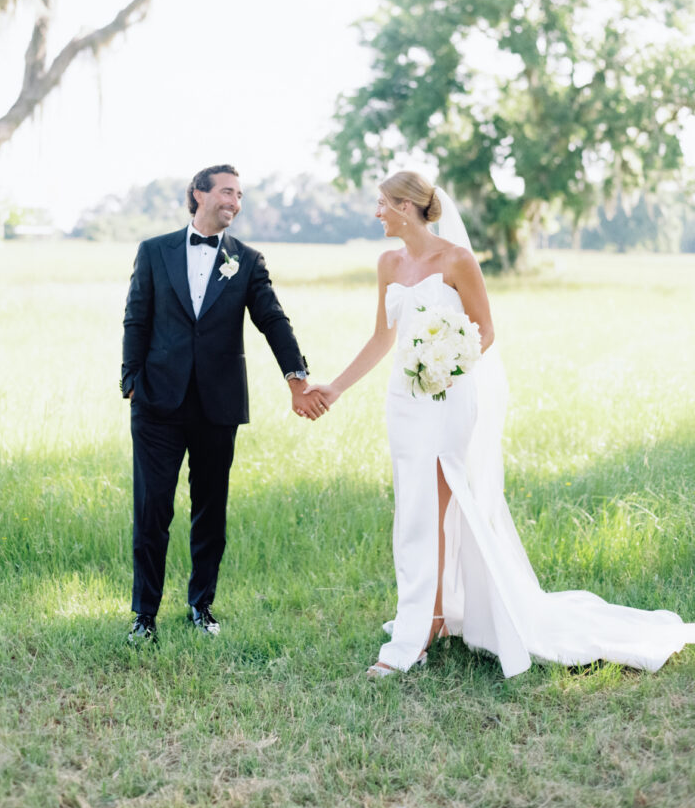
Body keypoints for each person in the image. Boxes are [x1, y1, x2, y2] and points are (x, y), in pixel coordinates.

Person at [305, 171, 695, 678]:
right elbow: (383, 338)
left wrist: (445, 366)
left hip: (449, 396)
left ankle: (417, 629)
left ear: (405, 206)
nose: (376, 213)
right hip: (404, 402)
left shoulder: (457, 260)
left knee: (441, 504)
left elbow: (485, 332)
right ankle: (436, 613)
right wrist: (335, 387)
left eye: (381, 203)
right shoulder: (388, 263)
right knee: (414, 506)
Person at [121, 164, 328, 644]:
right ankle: (143, 615)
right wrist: (130, 379)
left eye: (240, 195)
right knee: (152, 510)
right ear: (199, 194)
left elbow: (273, 320)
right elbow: (136, 316)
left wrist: (297, 378)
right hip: (157, 403)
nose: (235, 201)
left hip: (218, 404)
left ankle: (201, 606)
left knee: (210, 511)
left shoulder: (248, 260)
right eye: (227, 192)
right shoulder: (154, 251)